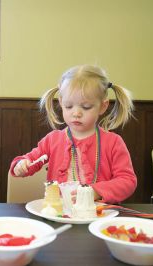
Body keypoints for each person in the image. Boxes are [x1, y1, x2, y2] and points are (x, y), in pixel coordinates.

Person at [10, 65, 137, 204]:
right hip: (59, 213)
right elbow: (30, 160)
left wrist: (96, 191)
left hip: (98, 215)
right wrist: (20, 165)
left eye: (86, 107)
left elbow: (127, 181)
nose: (76, 113)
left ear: (103, 106)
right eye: (69, 106)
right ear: (61, 103)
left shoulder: (113, 142)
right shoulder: (53, 139)